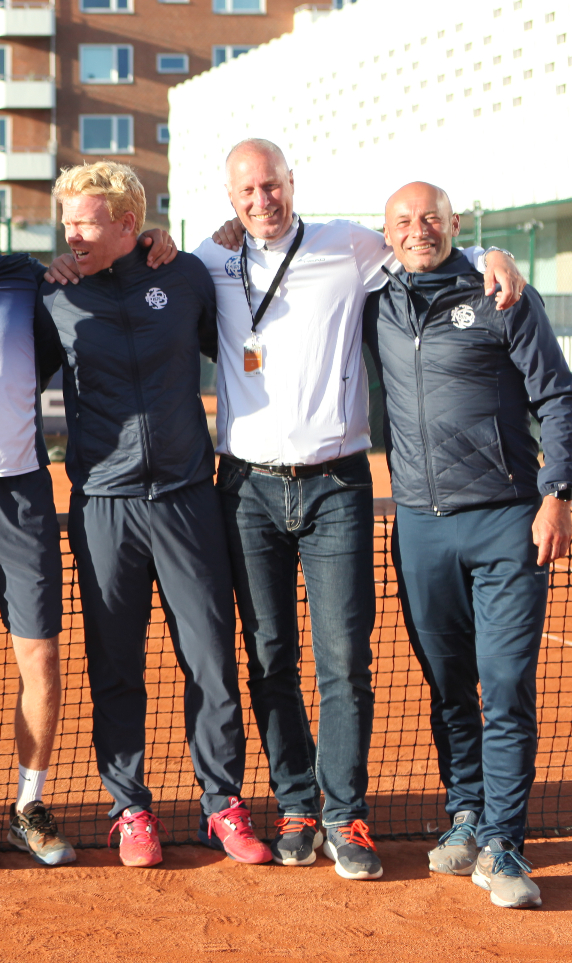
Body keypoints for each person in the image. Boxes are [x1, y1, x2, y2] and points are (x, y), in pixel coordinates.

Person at [199, 138, 524, 880]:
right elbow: (149, 266)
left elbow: (424, 241)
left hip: (337, 485)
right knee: (270, 656)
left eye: (272, 185)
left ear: (291, 183)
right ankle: (297, 806)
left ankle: (346, 815)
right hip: (246, 488)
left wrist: (488, 253)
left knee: (345, 661)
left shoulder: (349, 245)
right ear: (231, 198)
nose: (262, 200)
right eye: (247, 191)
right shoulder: (206, 261)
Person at [0, 156, 175, 867]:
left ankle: (28, 802)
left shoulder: (31, 280)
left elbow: (107, 265)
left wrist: (154, 238)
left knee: (40, 656)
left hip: (21, 494)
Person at [43, 161, 270, 868]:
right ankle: (129, 808)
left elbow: (241, 336)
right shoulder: (55, 294)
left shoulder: (185, 276)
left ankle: (221, 804)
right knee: (115, 663)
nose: (70, 233)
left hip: (185, 498)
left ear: (125, 223)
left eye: (83, 221)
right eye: (66, 222)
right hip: (104, 505)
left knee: (209, 656)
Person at [365, 181, 571, 909]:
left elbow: (556, 395)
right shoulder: (375, 302)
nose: (417, 230)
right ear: (385, 234)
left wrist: (557, 495)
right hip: (419, 527)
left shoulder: (500, 291)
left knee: (507, 683)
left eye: (431, 219)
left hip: (508, 520)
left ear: (455, 224)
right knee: (449, 683)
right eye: (403, 222)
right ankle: (467, 812)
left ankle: (505, 844)